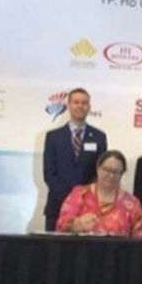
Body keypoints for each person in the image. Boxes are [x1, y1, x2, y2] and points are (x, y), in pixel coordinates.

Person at [42, 88, 107, 231]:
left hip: (89, 209)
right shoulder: (53, 137)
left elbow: (100, 173)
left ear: (89, 107)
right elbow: (49, 173)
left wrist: (84, 200)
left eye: (84, 103)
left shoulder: (99, 137)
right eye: (76, 102)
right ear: (69, 105)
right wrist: (69, 199)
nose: (80, 106)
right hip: (57, 206)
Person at [56, 150, 142, 238]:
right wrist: (78, 225)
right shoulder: (80, 194)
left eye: (116, 172)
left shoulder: (132, 203)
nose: (111, 175)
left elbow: (139, 239)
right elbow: (60, 227)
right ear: (98, 169)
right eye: (107, 170)